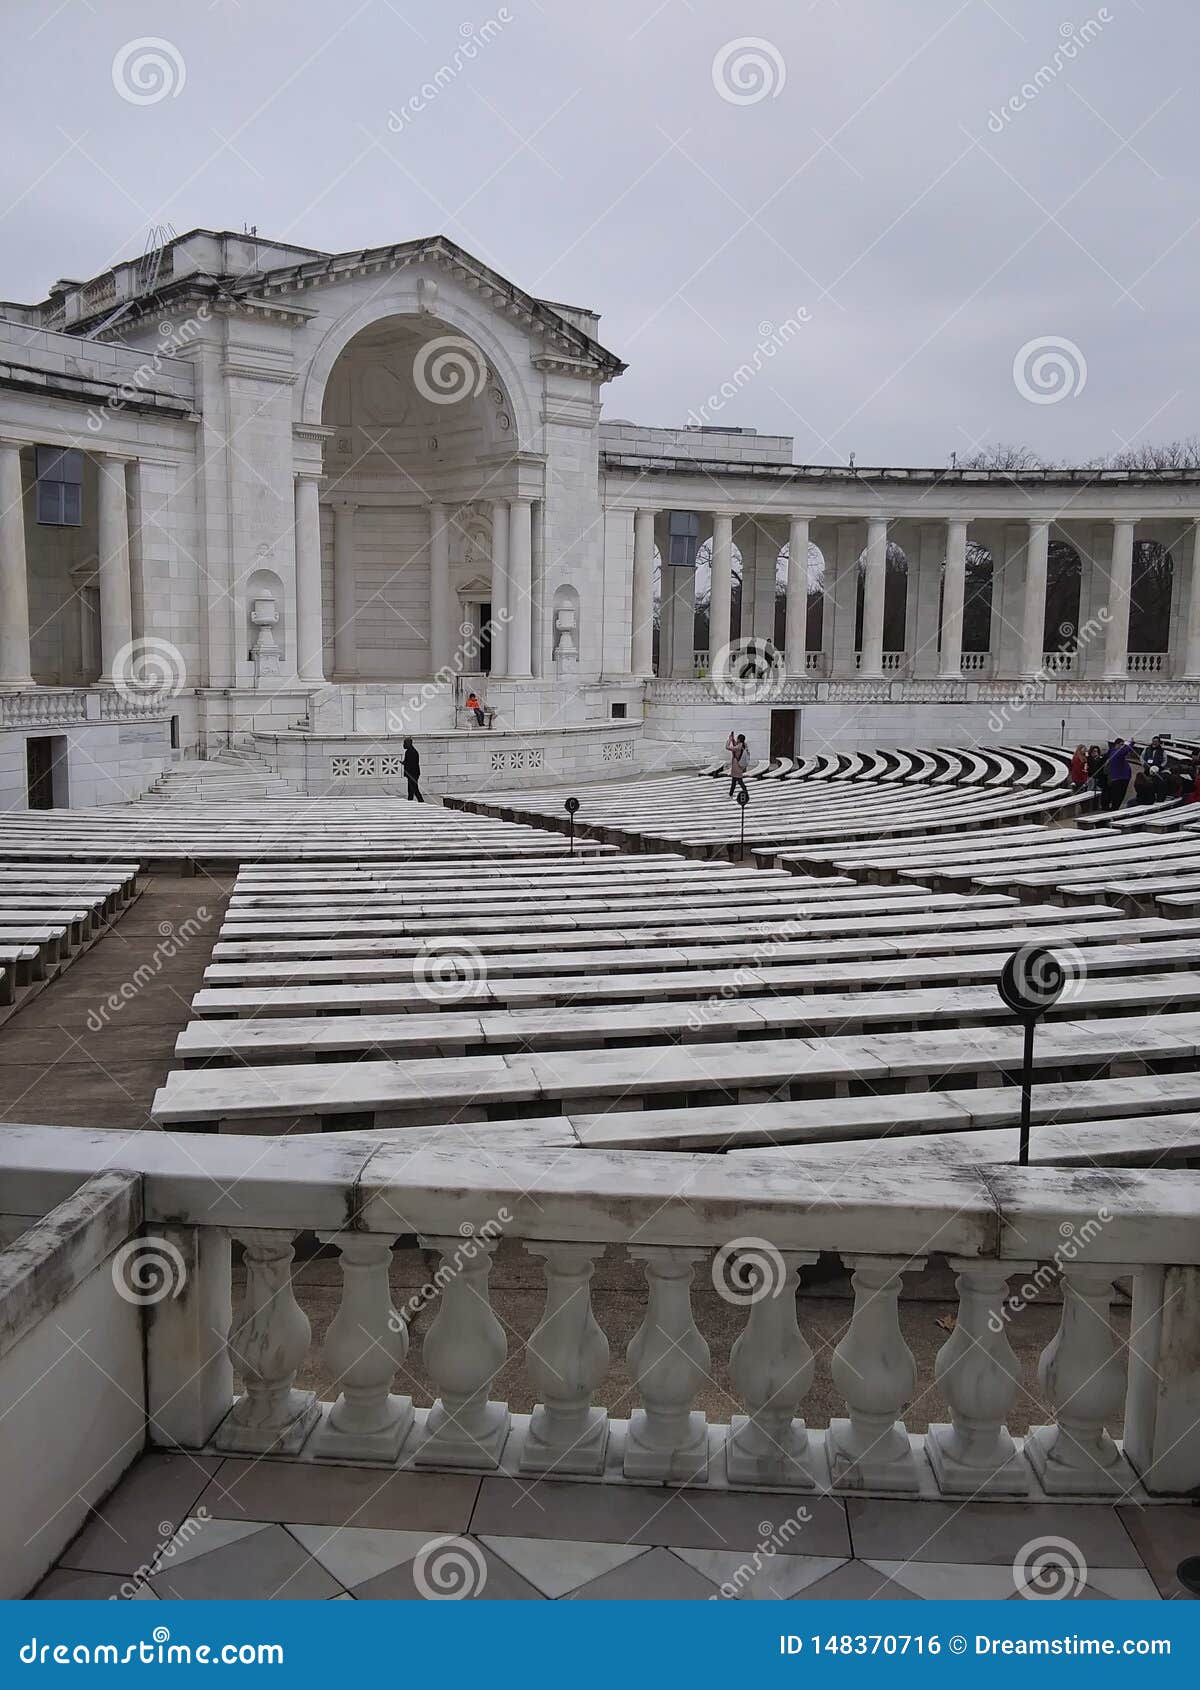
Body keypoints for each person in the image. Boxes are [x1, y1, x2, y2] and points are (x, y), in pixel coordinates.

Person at [726, 731, 749, 799]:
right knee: (734, 780)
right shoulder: (744, 744)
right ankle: (730, 794)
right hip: (740, 764)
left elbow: (727, 747)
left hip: (737, 765)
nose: (736, 739)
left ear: (739, 739)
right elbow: (735, 744)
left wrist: (729, 740)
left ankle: (746, 792)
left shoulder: (738, 747)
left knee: (739, 780)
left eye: (737, 738)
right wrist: (732, 739)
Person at [402, 737, 423, 802]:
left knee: (414, 789)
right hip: (412, 774)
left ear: (409, 743)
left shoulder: (411, 752)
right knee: (412, 790)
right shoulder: (411, 751)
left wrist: (404, 763)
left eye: (405, 743)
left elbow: (411, 763)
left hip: (412, 774)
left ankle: (420, 801)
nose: (404, 745)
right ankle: (411, 801)